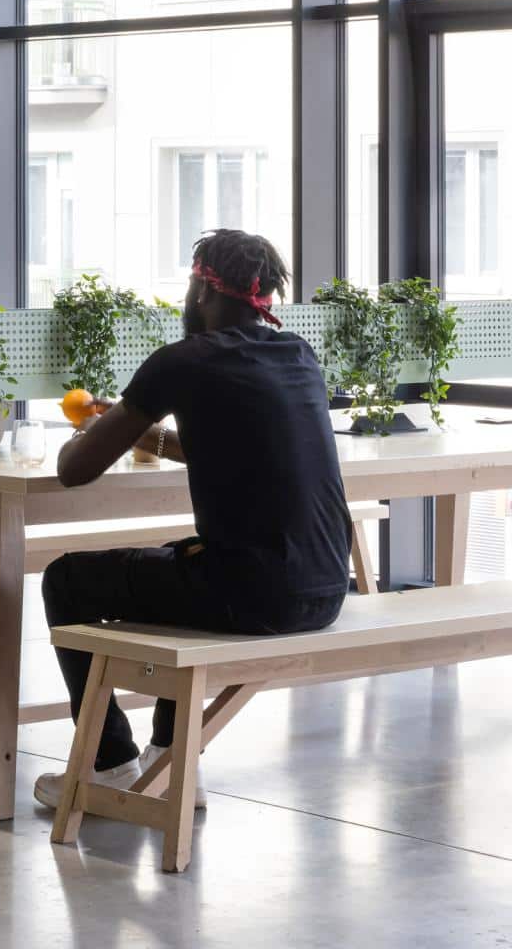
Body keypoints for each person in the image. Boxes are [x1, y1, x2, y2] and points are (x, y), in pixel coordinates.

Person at [35, 227, 353, 813]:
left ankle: (106, 767)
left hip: (252, 593)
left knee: (65, 579)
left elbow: (74, 471)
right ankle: (166, 758)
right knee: (189, 559)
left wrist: (94, 428)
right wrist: (151, 432)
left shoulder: (182, 360)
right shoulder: (297, 354)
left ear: (203, 291)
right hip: (328, 586)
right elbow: (240, 444)